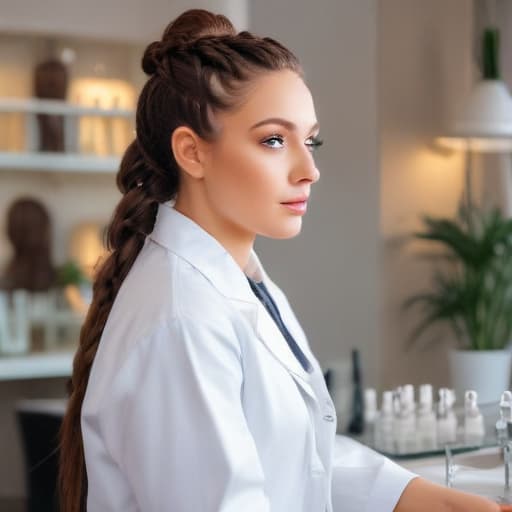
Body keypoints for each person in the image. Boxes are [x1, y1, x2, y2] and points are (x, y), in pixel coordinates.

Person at [58, 8, 510, 512]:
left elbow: (300, 457)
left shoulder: (242, 285)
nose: (310, 169)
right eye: (274, 140)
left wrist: (453, 504)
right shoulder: (181, 319)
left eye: (309, 139)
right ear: (192, 152)